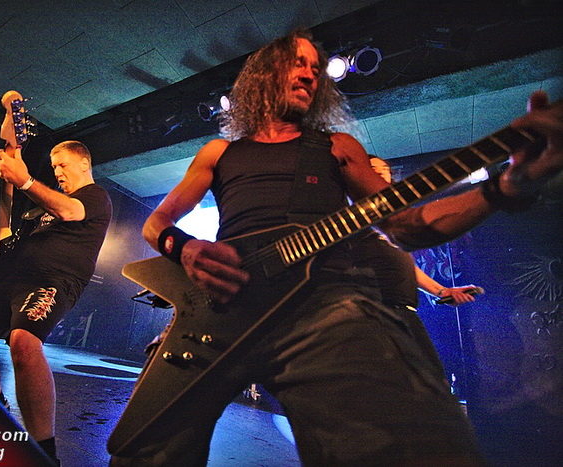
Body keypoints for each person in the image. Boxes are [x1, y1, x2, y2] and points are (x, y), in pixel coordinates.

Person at [109, 29, 562, 465]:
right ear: (264, 74)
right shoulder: (219, 152)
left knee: (413, 447)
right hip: (219, 312)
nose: (310, 74)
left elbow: (405, 227)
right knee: (142, 451)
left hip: (325, 307)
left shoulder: (337, 147)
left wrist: (504, 188)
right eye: (298, 63)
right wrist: (187, 249)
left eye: (316, 68)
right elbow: (156, 224)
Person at [0, 140, 112, 465]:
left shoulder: (95, 197)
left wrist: (25, 180)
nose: (57, 172)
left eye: (63, 165)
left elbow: (69, 211)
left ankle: (44, 454)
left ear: (84, 163)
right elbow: (8, 234)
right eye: (53, 167)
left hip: (53, 281)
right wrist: (9, 179)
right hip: (14, 280)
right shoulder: (42, 210)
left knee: (23, 341)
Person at [368, 155, 480, 307]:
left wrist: (442, 291)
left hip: (402, 305)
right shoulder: (354, 216)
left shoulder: (393, 215)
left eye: (385, 169)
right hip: (370, 306)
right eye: (373, 169)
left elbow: (403, 264)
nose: (382, 173)